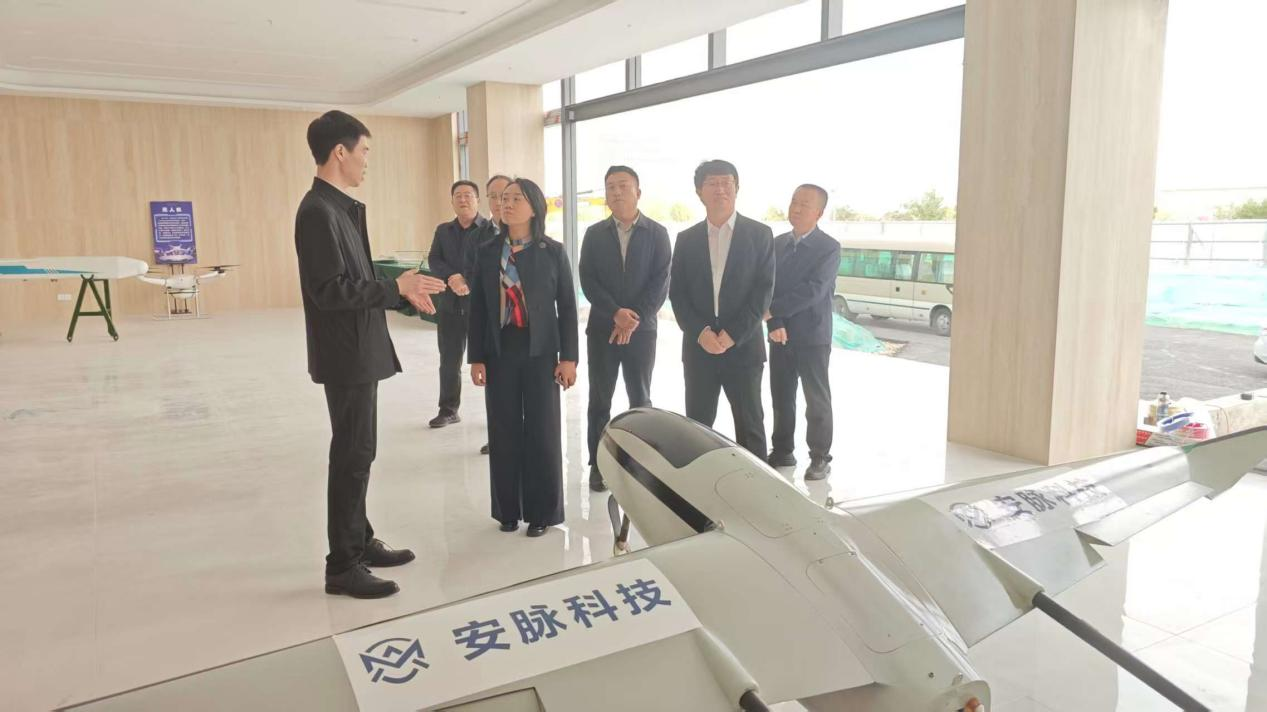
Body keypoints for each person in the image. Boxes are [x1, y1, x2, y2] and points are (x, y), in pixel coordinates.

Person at [293, 110, 446, 598]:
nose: (366, 162)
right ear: (340, 152)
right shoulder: (318, 212)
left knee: (360, 450)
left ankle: (358, 540)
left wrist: (402, 293)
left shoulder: (340, 208)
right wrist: (394, 288)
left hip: (358, 346)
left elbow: (358, 281)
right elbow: (329, 291)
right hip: (346, 353)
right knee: (353, 454)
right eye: (364, 152)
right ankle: (342, 564)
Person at [468, 178, 578, 537]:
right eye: (504, 198)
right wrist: (476, 357)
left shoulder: (552, 251)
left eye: (516, 198)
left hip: (541, 351)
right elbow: (478, 307)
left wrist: (569, 358)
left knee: (542, 431)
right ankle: (507, 511)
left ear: (534, 207)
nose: (507, 204)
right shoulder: (488, 251)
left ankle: (542, 512)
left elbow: (567, 307)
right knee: (503, 430)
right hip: (500, 349)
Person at [669, 159, 774, 457]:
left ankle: (755, 484)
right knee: (698, 427)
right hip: (699, 348)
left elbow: (763, 292)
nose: (720, 189)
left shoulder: (760, 234)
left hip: (743, 348)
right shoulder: (686, 239)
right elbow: (678, 294)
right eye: (712, 183)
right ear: (699, 192)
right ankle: (699, 483)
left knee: (750, 425)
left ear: (737, 188)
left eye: (726, 183)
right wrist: (700, 332)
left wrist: (732, 334)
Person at [578, 165, 671, 492]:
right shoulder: (594, 234)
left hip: (642, 332)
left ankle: (640, 463)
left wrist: (634, 319)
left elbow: (661, 282)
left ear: (638, 192)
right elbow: (588, 280)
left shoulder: (657, 233)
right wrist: (616, 313)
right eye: (611, 187)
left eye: (623, 186)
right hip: (602, 329)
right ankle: (598, 464)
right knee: (599, 400)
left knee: (640, 399)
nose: (616, 192)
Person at [765, 184, 841, 480]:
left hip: (813, 336)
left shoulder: (829, 248)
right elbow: (767, 286)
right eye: (793, 202)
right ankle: (782, 450)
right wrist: (774, 322)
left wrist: (773, 311)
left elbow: (814, 290)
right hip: (780, 333)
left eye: (804, 205)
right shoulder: (776, 244)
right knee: (781, 395)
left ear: (819, 213)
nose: (796, 209)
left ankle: (820, 457)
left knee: (816, 400)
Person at [425, 180, 487, 428]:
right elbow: (434, 259)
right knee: (449, 361)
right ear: (452, 201)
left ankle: (497, 414)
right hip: (450, 305)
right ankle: (448, 410)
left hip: (482, 307)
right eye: (458, 196)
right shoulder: (443, 231)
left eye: (468, 195)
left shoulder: (490, 231)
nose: (463, 199)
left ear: (478, 200)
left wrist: (467, 280)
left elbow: (491, 264)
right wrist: (452, 277)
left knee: (491, 362)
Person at [475, 174, 511, 456]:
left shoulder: (533, 237)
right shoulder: (481, 235)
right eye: (494, 196)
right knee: (497, 393)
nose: (499, 202)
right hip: (491, 325)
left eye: (505, 195)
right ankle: (498, 437)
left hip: (521, 329)